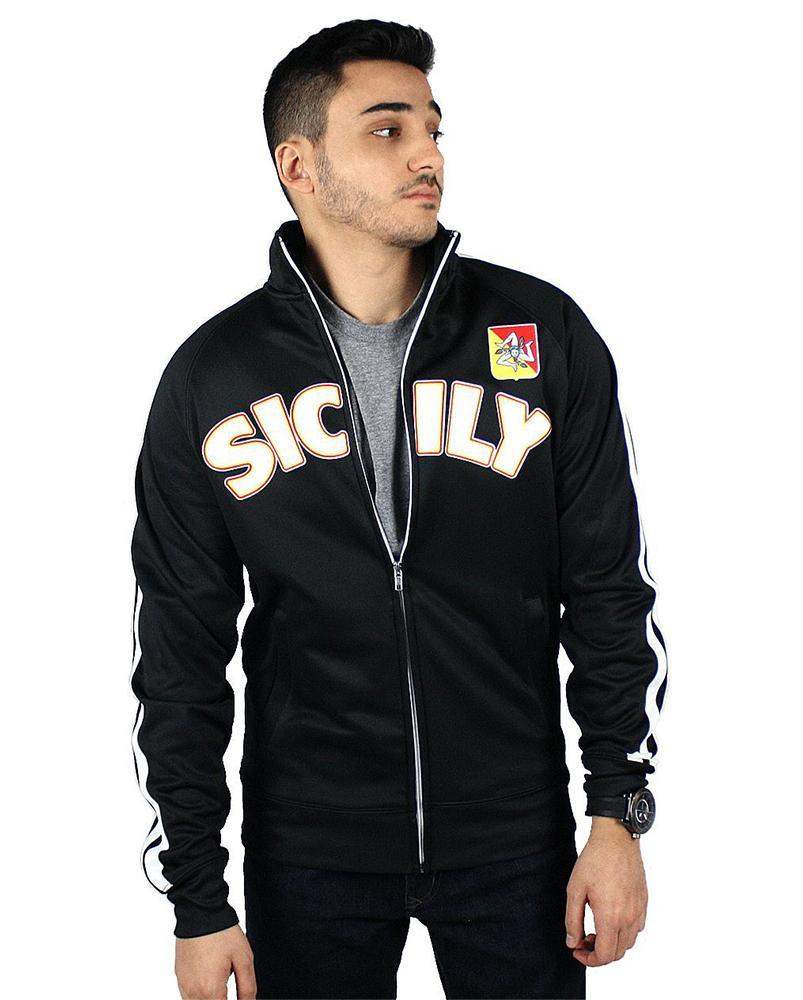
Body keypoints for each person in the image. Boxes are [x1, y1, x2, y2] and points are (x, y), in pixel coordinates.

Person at [130, 18, 668, 1000]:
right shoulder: (214, 377)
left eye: (432, 127)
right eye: (387, 130)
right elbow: (178, 655)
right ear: (298, 165)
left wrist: (616, 814)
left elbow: (607, 588)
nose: (429, 155)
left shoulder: (541, 334)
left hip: (515, 833)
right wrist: (199, 902)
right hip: (309, 844)